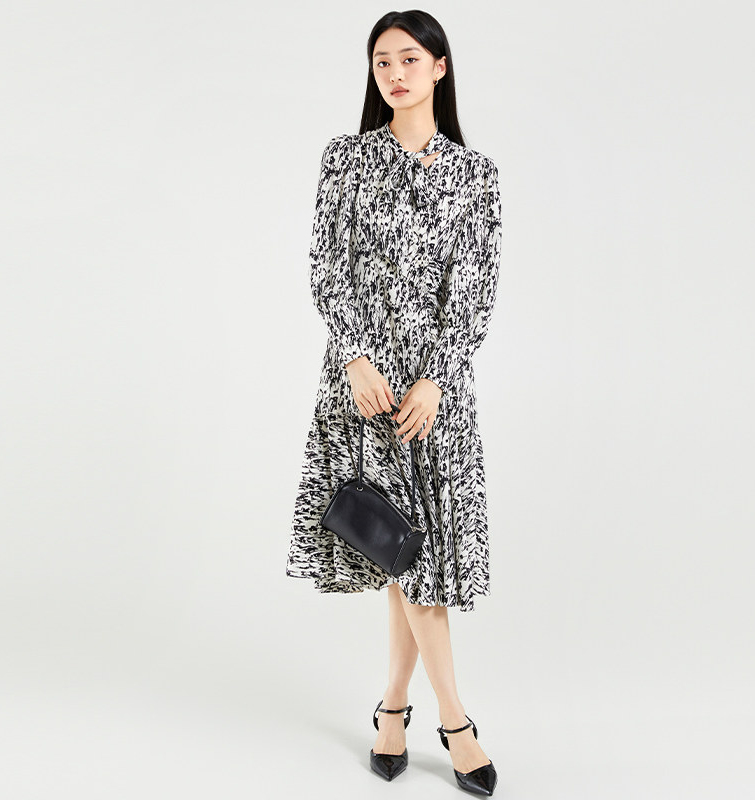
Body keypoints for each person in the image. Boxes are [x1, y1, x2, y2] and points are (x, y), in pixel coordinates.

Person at [286, 10, 502, 796]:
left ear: (440, 67)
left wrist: (436, 377)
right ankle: (456, 720)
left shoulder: (476, 174)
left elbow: (474, 288)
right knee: (400, 552)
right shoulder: (345, 160)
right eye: (383, 61)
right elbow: (326, 266)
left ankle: (393, 707)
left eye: (410, 59)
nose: (395, 74)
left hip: (434, 395)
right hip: (364, 388)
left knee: (414, 556)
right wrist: (355, 358)